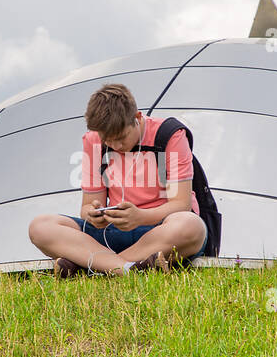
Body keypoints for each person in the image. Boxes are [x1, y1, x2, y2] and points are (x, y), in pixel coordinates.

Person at [27, 83, 208, 276]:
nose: (115, 145)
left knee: (191, 226)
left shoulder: (169, 135)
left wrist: (140, 217)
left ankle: (93, 266)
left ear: (137, 118)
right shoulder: (93, 140)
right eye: (108, 140)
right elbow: (86, 207)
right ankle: (127, 268)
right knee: (40, 226)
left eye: (121, 137)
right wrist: (94, 215)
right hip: (111, 232)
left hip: (159, 230)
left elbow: (180, 204)